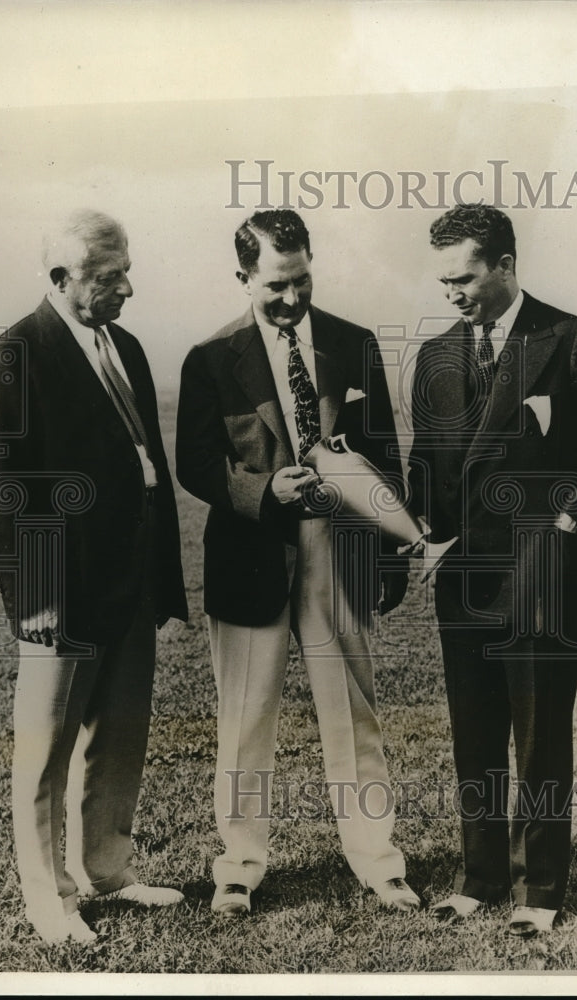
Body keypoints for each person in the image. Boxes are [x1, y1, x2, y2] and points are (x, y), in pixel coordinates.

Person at [406, 204, 577, 938]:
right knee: (474, 737)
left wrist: (569, 525)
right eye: (443, 279)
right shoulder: (436, 354)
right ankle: (479, 880)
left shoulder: (568, 338)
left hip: (542, 575)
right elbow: (427, 464)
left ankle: (539, 890)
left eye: (466, 277)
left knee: (540, 739)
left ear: (506, 265)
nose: (452, 293)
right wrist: (420, 529)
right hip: (463, 582)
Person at [176, 209, 417, 916]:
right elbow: (195, 464)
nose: (290, 299)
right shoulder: (209, 357)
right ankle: (239, 868)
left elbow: (383, 454)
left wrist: (392, 550)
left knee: (354, 715)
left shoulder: (353, 344)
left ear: (312, 264)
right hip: (252, 559)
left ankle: (378, 862)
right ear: (243, 276)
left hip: (340, 552)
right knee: (245, 719)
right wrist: (262, 490)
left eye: (301, 280)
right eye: (274, 285)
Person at [0, 209, 188, 945]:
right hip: (61, 590)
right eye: (107, 277)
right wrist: (34, 596)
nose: (126, 287)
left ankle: (106, 872)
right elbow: (4, 486)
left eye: (126, 269)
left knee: (118, 736)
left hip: (129, 582)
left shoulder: (121, 343)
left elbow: (141, 462)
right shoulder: (15, 357)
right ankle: (48, 897)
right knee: (46, 746)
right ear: (61, 279)